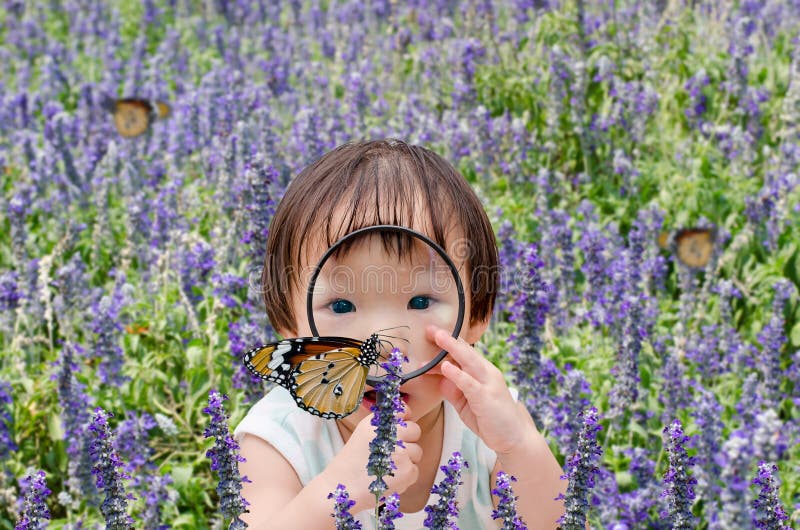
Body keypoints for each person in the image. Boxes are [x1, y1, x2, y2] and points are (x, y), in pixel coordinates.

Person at [233, 139, 567, 529]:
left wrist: (521, 447)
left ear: (476, 313)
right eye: (341, 306)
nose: (384, 344)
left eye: (421, 301)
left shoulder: (489, 426)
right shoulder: (277, 440)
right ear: (290, 329)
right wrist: (334, 492)